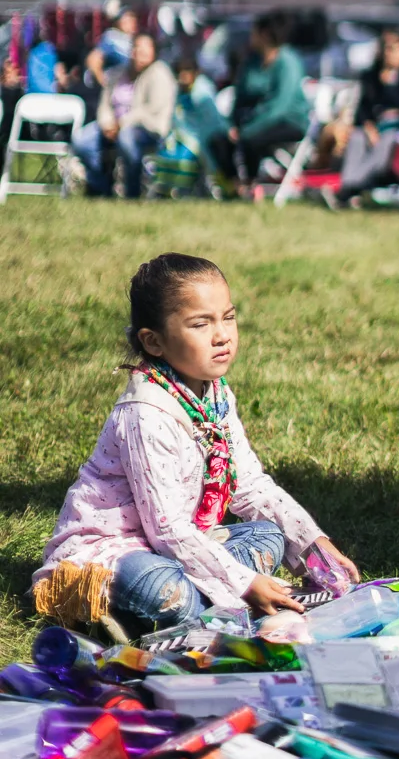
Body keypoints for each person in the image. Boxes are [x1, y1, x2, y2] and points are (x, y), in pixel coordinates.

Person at [33, 252, 358, 634]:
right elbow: (167, 528)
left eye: (229, 317)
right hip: (115, 553)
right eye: (201, 324)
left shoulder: (215, 395)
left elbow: (250, 486)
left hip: (174, 544)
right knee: (163, 588)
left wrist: (313, 547)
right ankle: (164, 610)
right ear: (153, 342)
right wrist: (245, 583)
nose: (222, 335)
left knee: (267, 536)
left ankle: (198, 610)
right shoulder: (146, 411)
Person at [210, 11, 309, 188]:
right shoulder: (251, 62)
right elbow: (239, 97)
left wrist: (247, 130)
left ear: (264, 34)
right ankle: (235, 186)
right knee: (218, 141)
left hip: (287, 122)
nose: (251, 36)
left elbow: (279, 106)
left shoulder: (287, 63)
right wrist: (231, 125)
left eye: (254, 32)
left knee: (251, 139)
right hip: (249, 120)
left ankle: (252, 184)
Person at [72, 32, 177, 198]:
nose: (139, 52)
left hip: (147, 129)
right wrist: (107, 124)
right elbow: (105, 103)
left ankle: (132, 192)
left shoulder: (160, 74)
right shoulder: (118, 73)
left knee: (126, 138)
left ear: (154, 52)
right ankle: (100, 186)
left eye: (145, 49)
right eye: (136, 47)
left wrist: (121, 124)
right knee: (82, 141)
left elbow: (150, 109)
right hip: (112, 127)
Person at [336, 29, 399, 203]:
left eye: (393, 48)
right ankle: (348, 184)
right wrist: (368, 126)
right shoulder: (372, 75)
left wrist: (389, 86)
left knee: (387, 141)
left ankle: (353, 186)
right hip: (376, 126)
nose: (389, 53)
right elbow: (363, 109)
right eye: (385, 48)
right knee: (357, 137)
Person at [153, 59, 226, 196]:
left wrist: (193, 140)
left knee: (185, 157)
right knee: (167, 155)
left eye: (187, 72)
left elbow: (211, 122)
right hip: (181, 138)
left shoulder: (203, 94)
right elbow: (175, 118)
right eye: (180, 72)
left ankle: (184, 190)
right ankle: (166, 190)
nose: (183, 76)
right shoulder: (177, 94)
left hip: (205, 139)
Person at [86, 7, 139, 89]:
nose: (130, 23)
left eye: (132, 20)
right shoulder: (112, 38)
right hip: (116, 87)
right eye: (126, 20)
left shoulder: (136, 41)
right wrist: (103, 82)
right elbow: (93, 59)